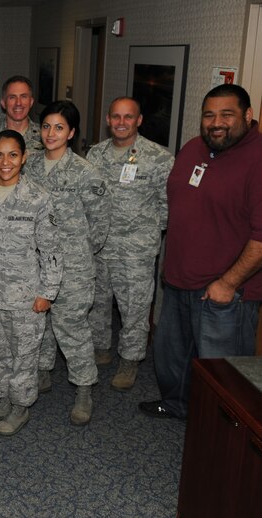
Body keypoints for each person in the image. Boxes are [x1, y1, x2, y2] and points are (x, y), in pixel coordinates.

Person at [140, 84, 262, 419]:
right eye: (209, 115)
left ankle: (217, 433)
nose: (216, 122)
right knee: (173, 356)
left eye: (227, 114)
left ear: (248, 116)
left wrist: (228, 283)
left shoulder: (257, 159)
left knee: (222, 373)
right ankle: (178, 405)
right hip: (178, 280)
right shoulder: (194, 148)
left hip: (225, 293)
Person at [24, 100, 110, 425]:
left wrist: (77, 251)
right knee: (40, 322)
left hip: (73, 267)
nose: (51, 133)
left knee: (71, 327)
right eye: (46, 126)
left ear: (71, 133)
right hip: (37, 263)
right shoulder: (29, 166)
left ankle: (84, 388)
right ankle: (43, 371)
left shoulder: (85, 173)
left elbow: (100, 224)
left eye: (59, 127)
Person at [0, 130, 62, 435]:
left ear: (24, 157)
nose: (5, 162)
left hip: (25, 295)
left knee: (24, 355)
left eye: (13, 154)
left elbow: (51, 250)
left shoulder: (38, 198)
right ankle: (2, 401)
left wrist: (47, 292)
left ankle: (20, 407)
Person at [87, 97, 173, 390]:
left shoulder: (159, 158)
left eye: (128, 117)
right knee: (97, 303)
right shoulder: (95, 154)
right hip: (99, 247)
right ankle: (101, 347)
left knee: (134, 308)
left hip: (135, 251)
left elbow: (167, 206)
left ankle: (130, 360)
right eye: (116, 116)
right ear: (108, 120)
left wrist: (143, 235)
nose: (121, 122)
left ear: (139, 120)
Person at [0, 76, 43, 151]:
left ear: (31, 102)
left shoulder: (45, 136)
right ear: (3, 103)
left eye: (24, 97)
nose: (18, 103)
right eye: (12, 97)